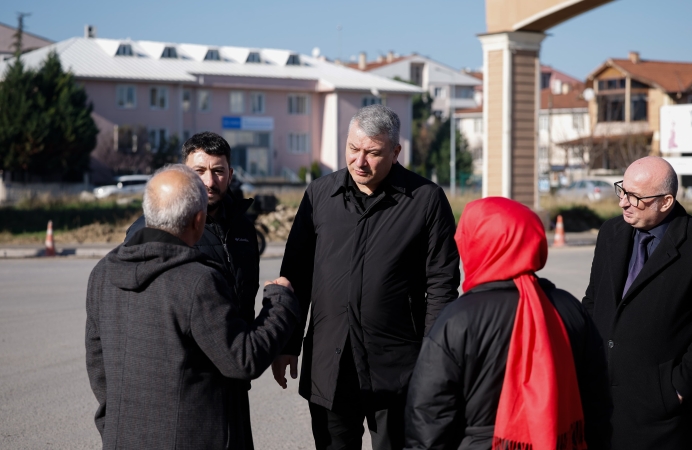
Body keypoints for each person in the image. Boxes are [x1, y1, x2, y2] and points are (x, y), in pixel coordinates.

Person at [272, 104, 460, 450]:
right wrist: (287, 344)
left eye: (372, 153)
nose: (359, 162)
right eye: (353, 149)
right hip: (331, 363)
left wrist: (434, 360)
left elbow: (442, 285)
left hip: (399, 367)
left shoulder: (426, 200)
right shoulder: (319, 196)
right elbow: (295, 274)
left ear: (395, 152)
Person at [85, 165, 299, 450]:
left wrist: (111, 424)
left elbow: (98, 367)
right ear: (199, 220)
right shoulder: (197, 281)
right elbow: (243, 359)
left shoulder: (102, 273)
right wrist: (279, 303)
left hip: (122, 437)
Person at [404, 197, 611, 450]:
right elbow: (597, 403)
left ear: (477, 246)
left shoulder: (457, 319)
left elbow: (428, 417)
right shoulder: (569, 308)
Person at [583, 156, 692, 449]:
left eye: (635, 197)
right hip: (604, 403)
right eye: (622, 190)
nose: (623, 203)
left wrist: (676, 389)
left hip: (664, 418)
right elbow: (594, 301)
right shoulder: (610, 233)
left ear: (666, 202)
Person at [125, 132, 261, 447]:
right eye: (199, 171)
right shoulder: (153, 229)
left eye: (218, 171)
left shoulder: (242, 226)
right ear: (184, 172)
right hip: (187, 384)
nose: (210, 181)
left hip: (235, 374)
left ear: (231, 174)